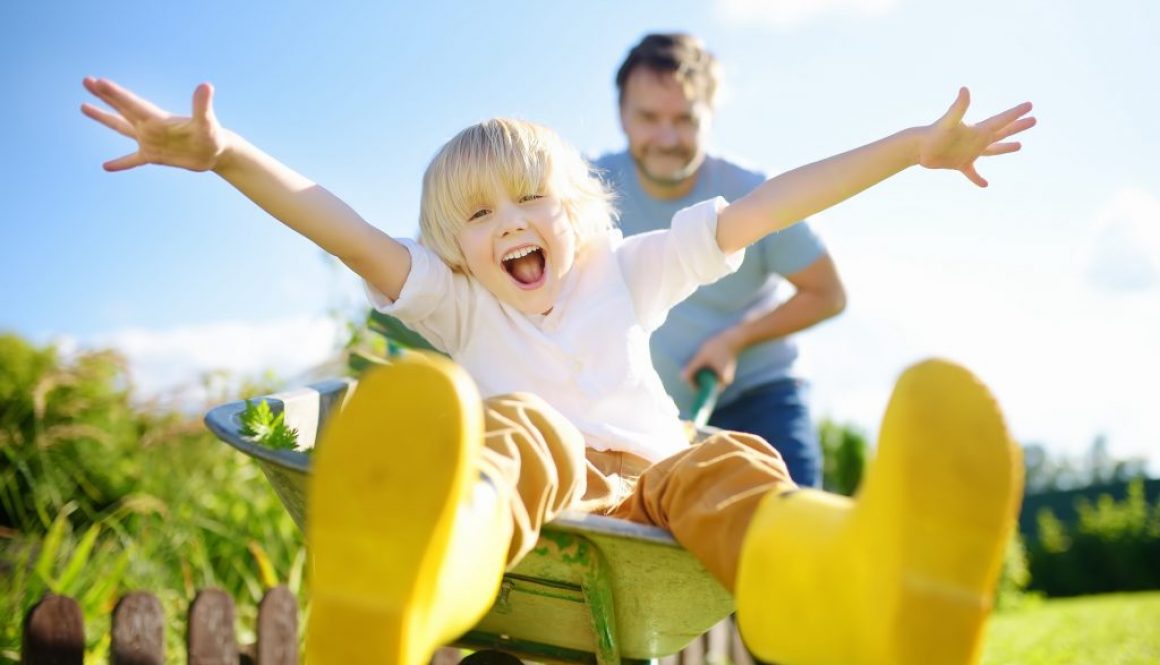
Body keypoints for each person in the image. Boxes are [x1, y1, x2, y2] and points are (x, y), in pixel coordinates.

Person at [81, 75, 1033, 665]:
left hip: (661, 483)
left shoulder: (632, 266)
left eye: (531, 198)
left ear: (578, 212)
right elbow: (340, 225)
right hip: (538, 488)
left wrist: (913, 149)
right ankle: (414, 577)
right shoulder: (459, 303)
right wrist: (227, 154)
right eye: (480, 217)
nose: (509, 226)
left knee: (732, 462)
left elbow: (767, 206)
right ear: (453, 249)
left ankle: (866, 591)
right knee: (518, 429)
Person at [595, 34, 845, 487]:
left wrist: (736, 339)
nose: (667, 138)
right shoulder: (584, 191)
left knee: (794, 531)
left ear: (709, 116)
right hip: (644, 411)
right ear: (622, 116)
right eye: (649, 117)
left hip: (761, 399)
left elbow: (828, 295)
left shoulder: (756, 193)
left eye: (685, 119)